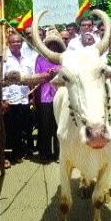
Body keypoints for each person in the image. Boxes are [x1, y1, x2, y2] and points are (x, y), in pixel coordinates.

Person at [3, 34, 33, 165]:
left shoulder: (26, 58)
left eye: (19, 41)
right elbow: (1, 80)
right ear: (8, 43)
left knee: (23, 127)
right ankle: (11, 155)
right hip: (11, 100)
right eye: (14, 42)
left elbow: (31, 78)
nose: (17, 44)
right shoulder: (5, 60)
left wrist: (32, 97)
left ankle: (20, 151)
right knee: (11, 129)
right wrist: (3, 99)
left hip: (24, 99)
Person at [35, 27, 64, 162]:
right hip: (45, 97)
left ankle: (59, 154)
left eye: (55, 44)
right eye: (50, 44)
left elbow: (67, 75)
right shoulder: (40, 59)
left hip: (61, 97)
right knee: (45, 126)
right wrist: (48, 75)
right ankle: (45, 154)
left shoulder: (63, 58)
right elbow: (36, 76)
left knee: (59, 126)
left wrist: (57, 73)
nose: (53, 46)